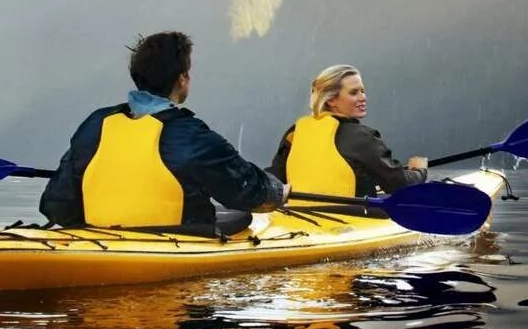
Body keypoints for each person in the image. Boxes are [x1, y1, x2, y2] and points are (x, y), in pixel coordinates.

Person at [40, 31, 285, 233]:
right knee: (241, 217)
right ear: (181, 79)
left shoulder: (94, 125)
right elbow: (249, 193)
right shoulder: (192, 136)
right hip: (177, 243)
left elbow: (57, 205)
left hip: (98, 239)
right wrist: (279, 191)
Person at [270, 65, 427, 202]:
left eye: (363, 91)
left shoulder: (296, 131)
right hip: (352, 223)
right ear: (331, 100)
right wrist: (419, 171)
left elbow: (274, 179)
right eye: (354, 93)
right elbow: (399, 185)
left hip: (301, 222)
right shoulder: (362, 137)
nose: (363, 98)